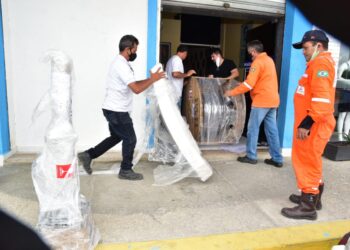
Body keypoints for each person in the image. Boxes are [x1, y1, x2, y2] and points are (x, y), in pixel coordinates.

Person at [78, 35, 165, 180]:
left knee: (117, 137)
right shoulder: (121, 65)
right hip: (117, 110)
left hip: (113, 109)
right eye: (134, 49)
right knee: (130, 139)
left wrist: (152, 80)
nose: (136, 52)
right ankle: (125, 170)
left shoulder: (121, 63)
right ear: (127, 49)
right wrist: (152, 79)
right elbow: (136, 89)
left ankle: (88, 155)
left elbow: (133, 83)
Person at [281, 30, 336, 220]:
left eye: (305, 48)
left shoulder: (321, 63)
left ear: (318, 46)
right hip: (313, 122)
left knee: (306, 161)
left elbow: (322, 99)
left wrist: (307, 123)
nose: (303, 51)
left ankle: (307, 206)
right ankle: (314, 198)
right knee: (311, 160)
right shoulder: (316, 63)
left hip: (314, 124)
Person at [224, 40, 283, 167]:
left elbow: (249, 84)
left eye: (250, 53)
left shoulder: (257, 62)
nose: (250, 55)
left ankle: (251, 156)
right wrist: (243, 84)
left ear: (253, 51)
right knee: (272, 131)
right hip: (273, 101)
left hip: (262, 101)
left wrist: (231, 92)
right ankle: (277, 158)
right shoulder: (269, 60)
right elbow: (261, 80)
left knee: (252, 129)